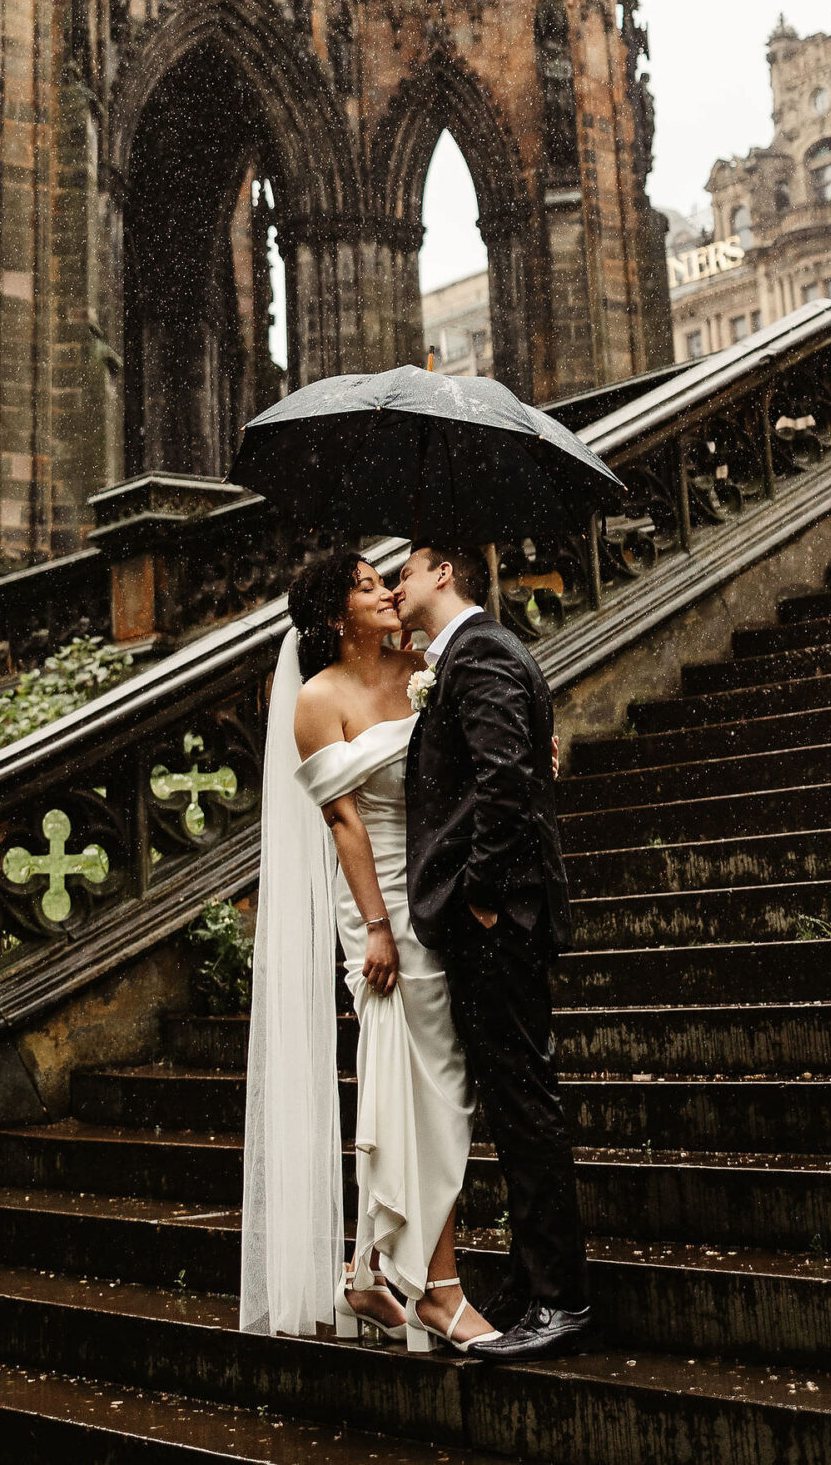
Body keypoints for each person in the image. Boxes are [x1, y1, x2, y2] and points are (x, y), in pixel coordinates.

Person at [239, 550, 495, 1353]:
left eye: (383, 579)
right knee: (427, 1088)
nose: (385, 591)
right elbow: (342, 820)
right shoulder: (318, 699)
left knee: (415, 1082)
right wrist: (377, 926)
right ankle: (439, 1289)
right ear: (332, 616)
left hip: (438, 884)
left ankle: (364, 1275)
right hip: (380, 900)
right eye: (364, 586)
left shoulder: (423, 666)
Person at [395, 535, 594, 1364]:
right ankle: (530, 1282)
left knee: (523, 1105)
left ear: (443, 572)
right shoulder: (475, 654)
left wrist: (476, 895)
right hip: (496, 914)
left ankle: (561, 1299)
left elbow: (507, 781)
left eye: (404, 570)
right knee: (513, 1106)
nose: (397, 584)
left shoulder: (477, 653)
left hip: (497, 919)